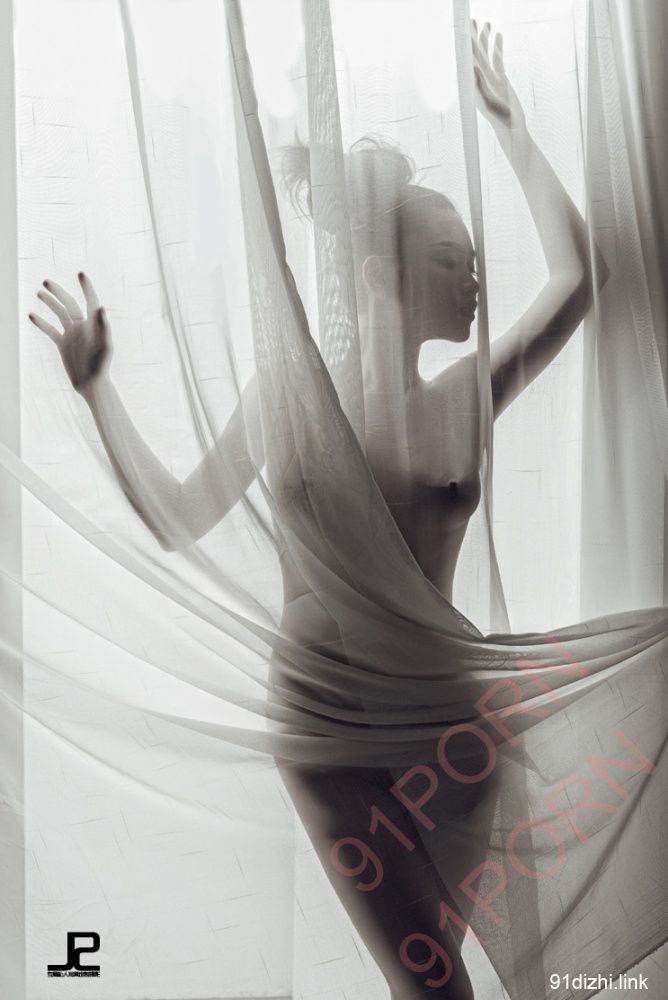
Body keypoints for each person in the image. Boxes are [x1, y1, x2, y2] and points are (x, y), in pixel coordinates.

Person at [30, 23, 610, 1000]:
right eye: (449, 259)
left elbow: (577, 281)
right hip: (326, 721)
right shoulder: (292, 399)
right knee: (435, 987)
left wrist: (510, 129)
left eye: (471, 259)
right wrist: (98, 395)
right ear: (380, 273)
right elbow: (178, 516)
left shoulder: (465, 395)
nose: (473, 277)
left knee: (431, 987)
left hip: (449, 722)